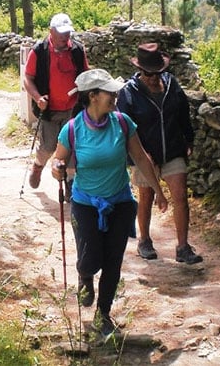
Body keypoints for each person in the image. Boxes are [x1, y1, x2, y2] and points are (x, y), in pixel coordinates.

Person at [50, 69, 168, 340]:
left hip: (120, 202)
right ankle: (85, 276)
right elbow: (58, 160)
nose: (115, 96)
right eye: (109, 92)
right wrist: (57, 168)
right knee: (91, 259)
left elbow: (140, 157)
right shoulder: (73, 129)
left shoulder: (123, 122)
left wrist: (158, 191)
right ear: (93, 96)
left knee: (113, 262)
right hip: (85, 203)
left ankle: (103, 314)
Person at [117, 43, 202, 265]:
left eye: (158, 73)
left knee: (180, 196)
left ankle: (183, 247)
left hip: (173, 149)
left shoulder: (172, 85)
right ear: (140, 71)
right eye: (149, 74)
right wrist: (141, 154)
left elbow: (183, 113)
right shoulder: (128, 93)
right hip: (145, 155)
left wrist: (188, 139)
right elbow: (126, 128)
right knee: (146, 197)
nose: (154, 78)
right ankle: (144, 240)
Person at [22, 13, 89, 189]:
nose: (65, 37)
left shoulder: (77, 50)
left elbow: (85, 76)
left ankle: (70, 184)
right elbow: (27, 78)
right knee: (49, 146)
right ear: (51, 31)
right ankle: (38, 166)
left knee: (72, 147)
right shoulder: (40, 51)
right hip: (49, 109)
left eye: (67, 33)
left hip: (73, 109)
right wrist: (37, 98)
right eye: (61, 33)